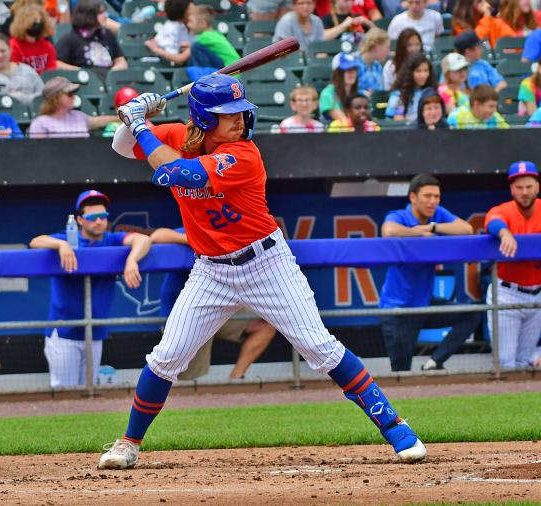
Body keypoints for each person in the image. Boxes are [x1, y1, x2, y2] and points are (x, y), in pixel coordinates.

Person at [100, 74, 427, 470]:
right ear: (203, 118)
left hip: (266, 263)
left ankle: (395, 426)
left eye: (241, 111)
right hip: (210, 271)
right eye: (227, 114)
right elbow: (121, 148)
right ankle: (129, 442)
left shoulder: (245, 154)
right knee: (167, 357)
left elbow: (176, 175)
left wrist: (139, 123)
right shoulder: (175, 135)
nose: (239, 119)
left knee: (320, 348)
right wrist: (134, 116)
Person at [29, 190, 152, 388]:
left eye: (103, 216)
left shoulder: (111, 239)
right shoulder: (67, 237)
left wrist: (131, 259)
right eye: (93, 217)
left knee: (90, 392)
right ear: (80, 220)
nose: (99, 222)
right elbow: (36, 241)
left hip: (95, 334)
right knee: (64, 393)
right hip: (64, 334)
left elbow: (143, 240)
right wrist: (61, 245)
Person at [380, 174, 479, 372]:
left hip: (425, 305)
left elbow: (467, 229)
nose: (433, 201)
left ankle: (435, 362)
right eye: (427, 196)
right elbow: (389, 231)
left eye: (436, 196)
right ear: (413, 197)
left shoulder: (437, 215)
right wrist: (418, 233)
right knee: (402, 373)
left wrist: (432, 226)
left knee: (472, 314)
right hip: (398, 310)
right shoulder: (399, 215)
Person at [151, 227, 278, 380]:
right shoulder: (194, 228)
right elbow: (156, 236)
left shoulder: (230, 234)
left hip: (220, 309)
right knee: (188, 381)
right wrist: (198, 242)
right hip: (186, 315)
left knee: (265, 324)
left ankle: (236, 379)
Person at [485, 161, 541, 369]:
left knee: (524, 360)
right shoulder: (504, 211)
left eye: (528, 186)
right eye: (519, 187)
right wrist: (504, 232)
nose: (524, 192)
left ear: (537, 186)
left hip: (537, 294)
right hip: (508, 292)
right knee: (506, 363)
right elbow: (493, 220)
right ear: (511, 189)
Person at [55, 0, 127, 78]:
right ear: (89, 15)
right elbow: (57, 63)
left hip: (109, 81)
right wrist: (82, 72)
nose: (105, 16)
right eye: (101, 13)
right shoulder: (70, 38)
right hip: (85, 83)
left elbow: (121, 60)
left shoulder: (108, 35)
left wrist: (112, 73)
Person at [28, 77, 117, 138]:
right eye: (69, 94)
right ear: (55, 98)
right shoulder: (40, 123)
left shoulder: (79, 116)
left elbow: (99, 121)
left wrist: (123, 118)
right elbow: (37, 152)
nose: (73, 97)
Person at [0, 32, 44, 106]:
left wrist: (22, 98)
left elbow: (41, 95)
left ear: (10, 49)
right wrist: (9, 98)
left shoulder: (27, 70)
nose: (0, 55)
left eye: (3, 51)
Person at [386, 52, 437, 122]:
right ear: (409, 73)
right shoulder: (398, 96)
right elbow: (397, 118)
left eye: (426, 71)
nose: (423, 75)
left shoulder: (432, 92)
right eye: (418, 71)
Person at [9, 3, 57, 74]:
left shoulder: (48, 46)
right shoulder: (13, 46)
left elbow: (51, 73)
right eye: (34, 20)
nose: (38, 23)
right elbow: (15, 73)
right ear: (23, 23)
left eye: (40, 20)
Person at [144, 0, 193, 66]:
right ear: (182, 11)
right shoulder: (172, 28)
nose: (195, 11)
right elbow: (177, 59)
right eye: (190, 9)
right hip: (163, 65)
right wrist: (156, 50)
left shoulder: (191, 25)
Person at [453, 0, 518, 47]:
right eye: (480, 1)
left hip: (494, 62)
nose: (487, 5)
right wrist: (486, 17)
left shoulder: (493, 21)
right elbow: (474, 39)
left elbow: (514, 41)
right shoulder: (459, 24)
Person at [319, 52, 359, 121]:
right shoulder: (327, 94)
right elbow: (342, 121)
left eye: (354, 69)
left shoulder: (359, 93)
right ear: (337, 73)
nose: (352, 73)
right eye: (347, 70)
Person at [355, 28, 390, 93]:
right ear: (375, 47)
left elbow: (380, 91)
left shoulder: (377, 66)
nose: (388, 51)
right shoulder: (353, 63)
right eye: (387, 47)